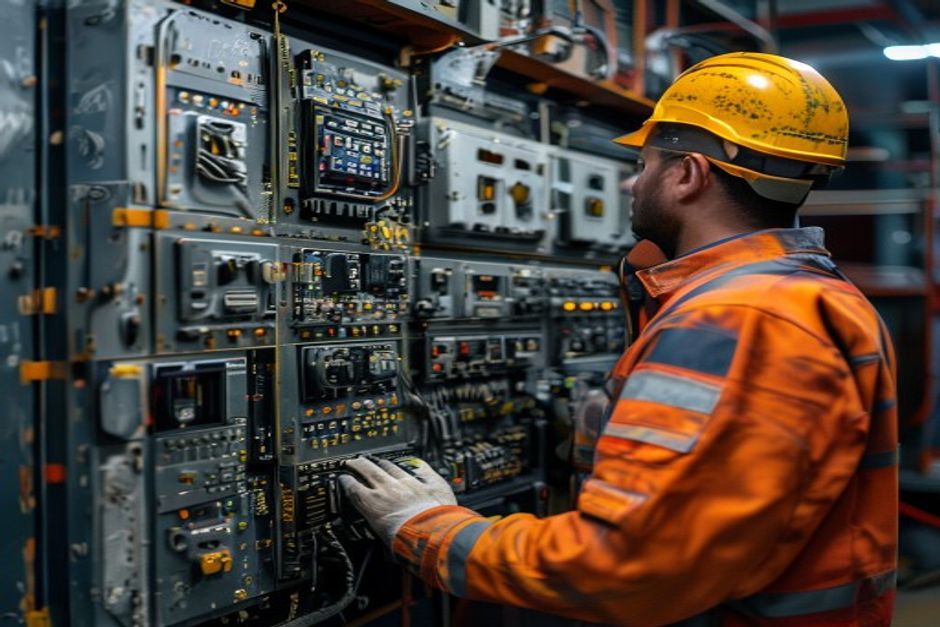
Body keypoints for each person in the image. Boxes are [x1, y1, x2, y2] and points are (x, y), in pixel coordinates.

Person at [339, 52, 898, 626]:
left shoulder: (734, 318)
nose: (634, 180)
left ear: (688, 175)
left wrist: (425, 527)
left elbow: (627, 567)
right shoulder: (815, 294)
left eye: (647, 162)